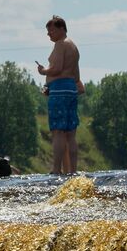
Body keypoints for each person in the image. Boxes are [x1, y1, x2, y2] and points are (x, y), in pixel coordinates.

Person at [36, 15, 84, 176]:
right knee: (71, 133)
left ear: (61, 29)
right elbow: (76, 76)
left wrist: (43, 71)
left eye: (51, 30)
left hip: (59, 90)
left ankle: (56, 170)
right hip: (71, 89)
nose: (49, 34)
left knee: (57, 131)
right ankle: (73, 170)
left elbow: (56, 68)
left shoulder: (60, 44)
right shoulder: (73, 46)